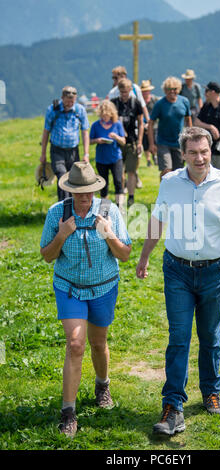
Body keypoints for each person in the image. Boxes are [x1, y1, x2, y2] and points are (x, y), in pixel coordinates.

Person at [136, 127, 220, 436]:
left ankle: (211, 392)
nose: (200, 157)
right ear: (182, 154)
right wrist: (144, 258)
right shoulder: (169, 183)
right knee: (179, 337)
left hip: (214, 271)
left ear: (211, 151)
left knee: (210, 334)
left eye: (205, 151)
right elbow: (157, 220)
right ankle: (173, 406)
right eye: (193, 152)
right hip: (177, 270)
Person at [40, 161, 132, 438]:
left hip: (104, 287)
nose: (85, 197)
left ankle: (102, 384)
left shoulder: (109, 211)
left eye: (90, 191)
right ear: (70, 191)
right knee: (76, 344)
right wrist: (62, 234)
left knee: (97, 342)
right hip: (69, 287)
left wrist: (108, 234)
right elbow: (47, 255)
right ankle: (68, 411)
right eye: (79, 191)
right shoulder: (57, 213)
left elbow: (125, 254)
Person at [40, 86, 90, 201]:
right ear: (62, 98)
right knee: (62, 176)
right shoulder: (53, 110)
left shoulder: (80, 110)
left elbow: (85, 132)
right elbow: (46, 131)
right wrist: (43, 154)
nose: (69, 104)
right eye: (67, 101)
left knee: (73, 178)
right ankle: (64, 206)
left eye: (72, 102)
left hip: (73, 150)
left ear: (75, 99)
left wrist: (86, 154)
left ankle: (72, 205)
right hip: (57, 150)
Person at [108, 66, 146, 190]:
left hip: (132, 136)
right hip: (118, 137)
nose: (114, 79)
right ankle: (122, 189)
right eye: (113, 77)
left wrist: (147, 119)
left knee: (131, 166)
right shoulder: (113, 96)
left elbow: (141, 109)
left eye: (116, 77)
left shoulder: (135, 92)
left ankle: (130, 189)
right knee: (120, 169)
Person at [148, 76, 192, 180]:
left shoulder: (184, 101)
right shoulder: (160, 104)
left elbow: (188, 119)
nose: (172, 92)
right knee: (166, 170)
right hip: (163, 142)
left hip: (179, 143)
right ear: (165, 90)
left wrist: (190, 137)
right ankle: (164, 193)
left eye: (175, 89)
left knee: (178, 172)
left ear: (179, 89)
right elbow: (151, 123)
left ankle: (175, 194)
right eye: (169, 90)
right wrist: (151, 144)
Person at [111, 78, 144, 207]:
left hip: (132, 141)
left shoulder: (136, 103)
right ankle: (121, 194)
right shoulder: (114, 103)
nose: (124, 94)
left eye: (126, 91)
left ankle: (131, 197)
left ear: (131, 90)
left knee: (131, 170)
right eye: (122, 92)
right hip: (117, 142)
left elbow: (141, 123)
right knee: (119, 171)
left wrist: (140, 141)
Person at [90, 100, 126, 209]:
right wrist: (97, 140)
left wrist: (116, 137)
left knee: (118, 181)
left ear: (112, 114)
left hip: (115, 158)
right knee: (103, 184)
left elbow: (123, 141)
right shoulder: (96, 125)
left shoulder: (117, 124)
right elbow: (90, 141)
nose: (105, 117)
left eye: (107, 115)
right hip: (101, 159)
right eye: (103, 115)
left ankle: (120, 207)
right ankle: (104, 209)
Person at [140, 79, 159, 167]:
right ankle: (148, 160)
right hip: (143, 125)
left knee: (155, 142)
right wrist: (144, 125)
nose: (145, 93)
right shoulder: (139, 101)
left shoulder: (155, 100)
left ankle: (154, 156)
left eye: (146, 91)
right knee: (145, 143)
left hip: (154, 125)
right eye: (143, 92)